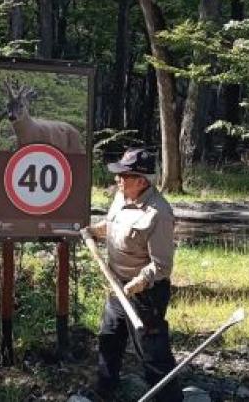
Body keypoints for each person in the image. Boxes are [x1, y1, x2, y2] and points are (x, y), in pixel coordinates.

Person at [87, 148, 181, 402]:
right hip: (117, 285)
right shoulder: (122, 196)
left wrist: (138, 283)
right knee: (109, 338)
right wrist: (94, 231)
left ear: (141, 181)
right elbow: (114, 225)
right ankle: (105, 391)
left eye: (123, 175)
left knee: (151, 351)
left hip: (146, 294)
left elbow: (162, 265)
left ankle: (169, 398)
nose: (117, 179)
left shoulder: (158, 214)